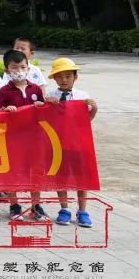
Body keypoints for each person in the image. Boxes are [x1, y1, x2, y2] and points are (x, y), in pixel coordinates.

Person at [45, 57, 98, 228]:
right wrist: (46, 105)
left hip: (78, 143)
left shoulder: (83, 96)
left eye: (68, 76)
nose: (64, 80)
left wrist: (94, 108)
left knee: (81, 176)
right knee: (62, 176)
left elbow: (87, 120)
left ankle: (82, 211)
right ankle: (64, 209)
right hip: (58, 144)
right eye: (59, 76)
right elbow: (45, 120)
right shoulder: (51, 96)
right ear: (54, 78)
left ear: (75, 77)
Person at [0, 50, 47, 221]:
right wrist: (5, 110)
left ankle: (36, 205)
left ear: (28, 68)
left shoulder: (36, 89)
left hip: (34, 138)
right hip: (13, 138)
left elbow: (44, 112)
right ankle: (14, 205)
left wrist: (41, 105)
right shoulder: (5, 91)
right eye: (15, 67)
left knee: (35, 171)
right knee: (14, 171)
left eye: (23, 67)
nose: (19, 70)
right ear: (7, 69)